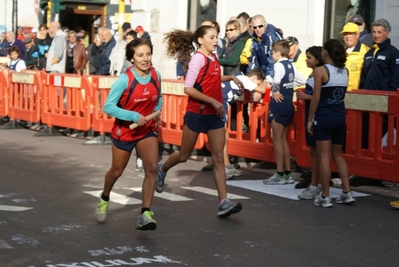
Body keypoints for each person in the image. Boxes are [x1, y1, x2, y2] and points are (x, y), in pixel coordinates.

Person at [160, 25, 244, 218]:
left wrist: (231, 76)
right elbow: (188, 88)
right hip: (197, 114)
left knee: (218, 159)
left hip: (214, 116)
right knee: (183, 155)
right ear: (200, 40)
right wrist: (213, 100)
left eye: (217, 37)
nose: (216, 41)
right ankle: (162, 169)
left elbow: (212, 79)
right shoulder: (197, 58)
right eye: (212, 37)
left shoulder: (213, 57)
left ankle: (223, 202)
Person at [94, 37, 162, 230]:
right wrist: (133, 115)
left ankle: (145, 213)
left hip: (146, 130)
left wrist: (157, 110)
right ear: (132, 58)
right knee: (117, 171)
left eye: (148, 54)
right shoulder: (124, 80)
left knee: (151, 168)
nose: (145, 58)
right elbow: (108, 106)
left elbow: (159, 97)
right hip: (125, 131)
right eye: (140, 55)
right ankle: (104, 198)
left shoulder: (156, 75)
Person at [307, 39, 355, 208]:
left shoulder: (321, 70)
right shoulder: (345, 70)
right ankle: (347, 192)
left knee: (324, 156)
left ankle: (325, 196)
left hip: (324, 116)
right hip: (339, 116)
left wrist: (310, 119)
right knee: (338, 155)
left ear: (325, 52)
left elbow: (316, 97)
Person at [262, 40, 305, 185]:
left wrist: (275, 91)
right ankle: (287, 173)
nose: (271, 55)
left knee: (277, 141)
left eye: (272, 53)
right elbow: (301, 80)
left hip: (278, 105)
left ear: (277, 53)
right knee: (284, 141)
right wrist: (290, 87)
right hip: (288, 105)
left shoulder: (278, 65)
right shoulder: (291, 64)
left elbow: (276, 81)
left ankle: (279, 173)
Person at [222, 68, 267, 178]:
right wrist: (265, 82)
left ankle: (225, 164)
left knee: (224, 136)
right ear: (254, 78)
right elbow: (262, 90)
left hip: (223, 102)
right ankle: (224, 166)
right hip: (221, 103)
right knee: (222, 137)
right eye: (257, 83)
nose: (257, 85)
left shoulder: (240, 77)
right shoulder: (245, 80)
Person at [296, 46, 324, 199]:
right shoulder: (313, 74)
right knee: (313, 151)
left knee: (318, 152)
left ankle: (316, 184)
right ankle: (316, 182)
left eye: (309, 58)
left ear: (318, 59)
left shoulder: (319, 75)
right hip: (311, 114)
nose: (306, 60)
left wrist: (306, 96)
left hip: (315, 116)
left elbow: (318, 97)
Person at [360, 18, 399, 91]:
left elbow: (396, 78)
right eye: (374, 32)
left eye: (379, 32)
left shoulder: (394, 53)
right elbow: (363, 76)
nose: (376, 35)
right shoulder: (369, 53)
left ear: (387, 33)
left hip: (383, 97)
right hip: (367, 96)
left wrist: (389, 95)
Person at [341, 22, 369, 91]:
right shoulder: (341, 52)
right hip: (341, 93)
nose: (347, 37)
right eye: (345, 34)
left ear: (357, 35)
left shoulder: (366, 51)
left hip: (356, 94)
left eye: (350, 34)